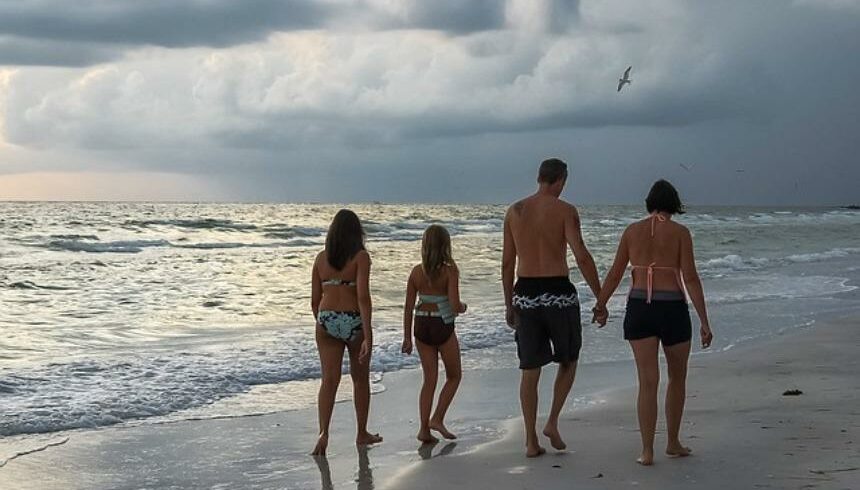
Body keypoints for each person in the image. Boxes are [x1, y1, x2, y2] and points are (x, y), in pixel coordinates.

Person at [593, 179, 714, 466]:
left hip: (639, 309)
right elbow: (691, 278)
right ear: (674, 204)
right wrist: (704, 321)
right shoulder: (680, 233)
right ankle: (672, 442)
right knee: (677, 378)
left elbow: (614, 273)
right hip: (672, 309)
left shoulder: (631, 231)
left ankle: (646, 450)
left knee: (647, 382)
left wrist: (601, 304)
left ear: (649, 202)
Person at [502, 158, 602, 458]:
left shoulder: (515, 211)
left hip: (526, 292)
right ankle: (553, 421)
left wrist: (508, 302)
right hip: (558, 292)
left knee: (529, 368)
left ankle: (531, 440)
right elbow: (581, 255)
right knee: (568, 358)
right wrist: (601, 296)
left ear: (539, 178)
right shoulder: (566, 211)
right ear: (561, 179)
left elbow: (507, 263)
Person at [310, 209, 383, 455]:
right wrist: (368, 334)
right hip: (353, 321)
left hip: (326, 319)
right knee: (360, 379)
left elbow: (314, 300)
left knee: (329, 381)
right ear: (356, 233)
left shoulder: (320, 259)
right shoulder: (361, 257)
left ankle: (323, 432)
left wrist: (325, 323)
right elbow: (363, 297)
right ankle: (361, 433)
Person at [402, 225, 467, 443]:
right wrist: (463, 307)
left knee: (429, 379)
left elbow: (408, 307)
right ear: (445, 246)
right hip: (442, 324)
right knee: (454, 375)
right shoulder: (450, 270)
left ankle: (423, 429)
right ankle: (437, 418)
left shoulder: (416, 272)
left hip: (421, 326)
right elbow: (454, 304)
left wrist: (406, 338)